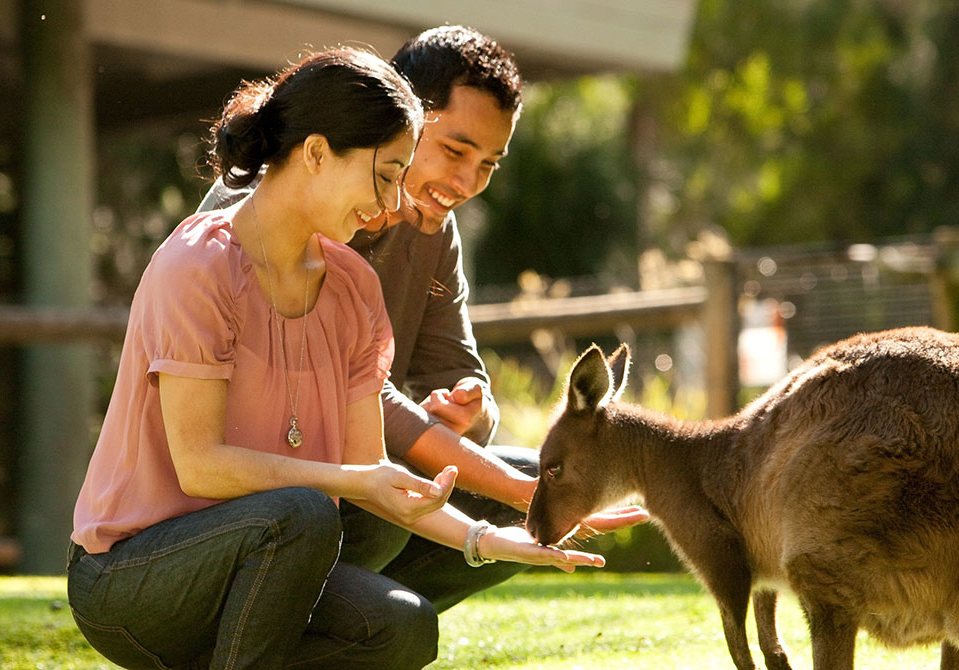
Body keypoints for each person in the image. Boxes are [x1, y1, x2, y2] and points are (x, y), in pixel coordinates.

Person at [68, 48, 604, 670]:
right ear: (317, 154)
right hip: (133, 576)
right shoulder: (199, 263)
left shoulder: (351, 285)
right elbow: (201, 469)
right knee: (303, 513)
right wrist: (353, 482)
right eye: (384, 175)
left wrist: (488, 540)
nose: (388, 204)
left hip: (273, 544)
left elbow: (371, 466)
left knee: (402, 624)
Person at [197, 26, 647, 612]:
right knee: (433, 491)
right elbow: (353, 392)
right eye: (455, 151)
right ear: (402, 114)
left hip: (347, 477)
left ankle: (352, 628)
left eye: (488, 164)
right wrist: (509, 484)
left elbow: (454, 368)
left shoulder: (434, 230)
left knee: (483, 489)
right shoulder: (280, 210)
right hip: (247, 498)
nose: (467, 184)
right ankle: (329, 620)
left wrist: (471, 407)